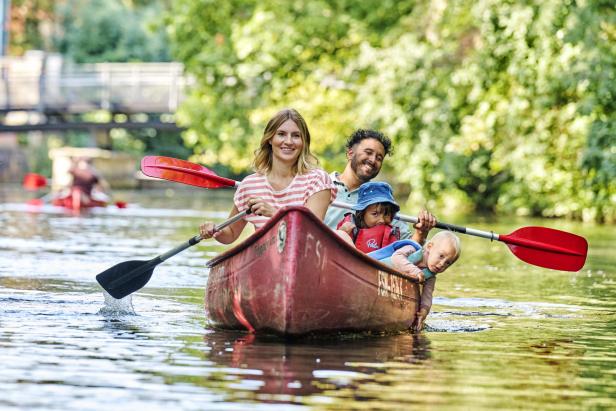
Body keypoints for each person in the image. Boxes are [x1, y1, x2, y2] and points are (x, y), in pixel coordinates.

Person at [199, 108, 337, 244]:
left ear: (303, 142)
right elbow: (231, 234)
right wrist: (216, 231)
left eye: (296, 135)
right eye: (281, 134)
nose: (289, 141)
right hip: (267, 259)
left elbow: (311, 232)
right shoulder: (250, 185)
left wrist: (274, 213)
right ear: (270, 139)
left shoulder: (318, 180)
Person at [324, 129, 436, 245]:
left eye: (379, 158)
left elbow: (408, 245)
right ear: (350, 153)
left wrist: (421, 232)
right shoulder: (320, 184)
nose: (373, 160)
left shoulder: (382, 200)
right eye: (368, 152)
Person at [389, 231, 461, 332]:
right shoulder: (412, 249)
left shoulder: (430, 276)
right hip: (376, 270)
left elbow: (427, 296)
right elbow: (396, 257)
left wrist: (423, 312)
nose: (441, 264)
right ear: (429, 247)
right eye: (441, 256)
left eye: (447, 263)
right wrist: (415, 271)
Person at [336, 181, 402, 253]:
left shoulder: (391, 233)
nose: (382, 220)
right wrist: (342, 232)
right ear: (362, 213)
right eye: (375, 214)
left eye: (387, 214)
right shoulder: (348, 226)